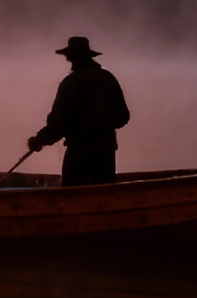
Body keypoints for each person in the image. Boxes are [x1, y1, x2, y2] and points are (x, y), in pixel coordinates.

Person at [27, 36, 130, 187]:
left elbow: (58, 123)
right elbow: (123, 116)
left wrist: (39, 140)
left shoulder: (71, 83)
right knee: (103, 192)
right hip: (106, 151)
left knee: (73, 192)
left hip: (80, 153)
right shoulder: (108, 78)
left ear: (70, 57)